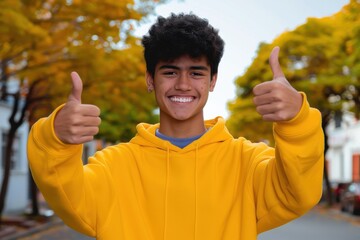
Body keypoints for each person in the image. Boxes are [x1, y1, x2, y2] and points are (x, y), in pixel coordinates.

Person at [27, 13, 324, 240]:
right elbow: (66, 194)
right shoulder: (115, 167)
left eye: (196, 72)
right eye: (170, 71)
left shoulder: (246, 163)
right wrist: (55, 138)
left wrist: (296, 120)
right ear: (149, 78)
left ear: (212, 81)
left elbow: (296, 193)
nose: (183, 84)